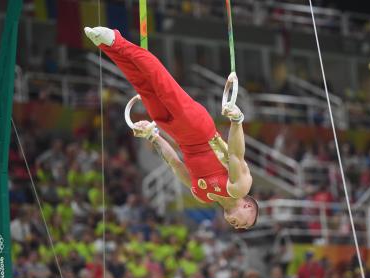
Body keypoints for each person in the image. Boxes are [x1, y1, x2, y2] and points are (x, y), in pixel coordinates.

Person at [84, 27, 258, 229]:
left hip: (178, 135)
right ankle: (116, 40)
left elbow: (175, 163)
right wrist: (236, 121)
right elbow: (237, 154)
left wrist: (153, 137)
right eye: (245, 224)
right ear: (247, 206)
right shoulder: (240, 187)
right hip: (199, 129)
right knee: (160, 82)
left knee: (143, 86)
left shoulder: (202, 196)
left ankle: (107, 46)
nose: (238, 227)